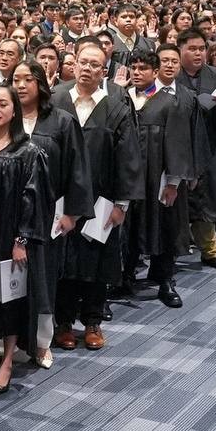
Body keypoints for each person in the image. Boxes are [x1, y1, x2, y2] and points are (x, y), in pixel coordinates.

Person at [52, 38, 143, 349]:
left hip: (101, 198)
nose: (87, 69)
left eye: (95, 64)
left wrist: (122, 204)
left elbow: (128, 157)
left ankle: (92, 321)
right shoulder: (56, 98)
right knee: (64, 261)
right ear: (74, 64)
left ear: (104, 71)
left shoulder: (116, 106)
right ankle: (63, 322)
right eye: (83, 62)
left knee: (97, 260)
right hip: (61, 198)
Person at [12, 58, 92, 368]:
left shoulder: (61, 121)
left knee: (43, 279)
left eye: (27, 79)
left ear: (41, 84)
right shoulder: (5, 118)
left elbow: (77, 169)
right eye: (15, 79)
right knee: (9, 278)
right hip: (9, 214)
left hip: (48, 214)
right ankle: (3, 343)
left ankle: (42, 342)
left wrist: (73, 213)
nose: (20, 85)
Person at [0, 84, 48, 395]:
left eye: (3, 104)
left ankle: (7, 362)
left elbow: (33, 198)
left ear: (15, 110)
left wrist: (22, 240)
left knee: (10, 300)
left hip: (9, 237)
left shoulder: (28, 152)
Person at [124, 50, 196, 309]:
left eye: (143, 68)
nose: (137, 72)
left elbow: (178, 143)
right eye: (133, 67)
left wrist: (174, 182)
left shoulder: (169, 101)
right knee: (128, 228)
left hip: (158, 177)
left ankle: (165, 281)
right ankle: (125, 278)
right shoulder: (123, 98)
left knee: (164, 226)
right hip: (129, 177)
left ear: (155, 72)